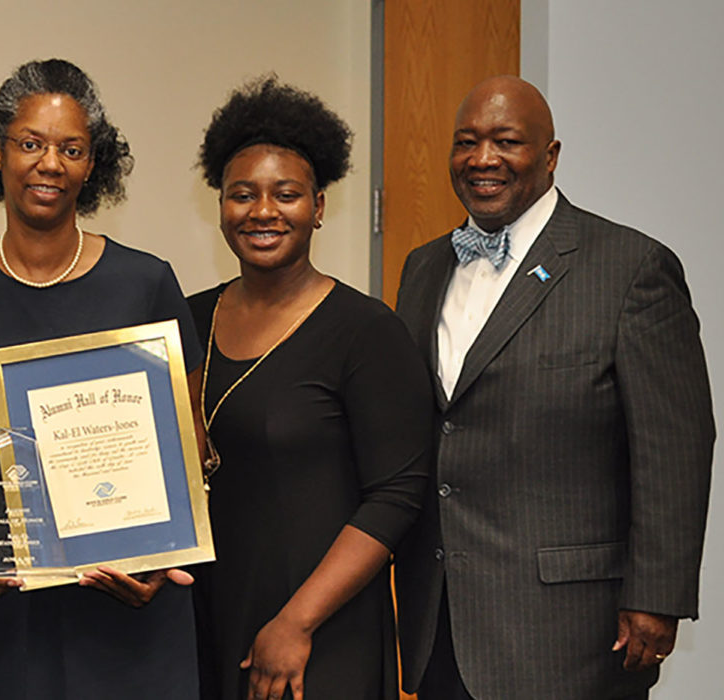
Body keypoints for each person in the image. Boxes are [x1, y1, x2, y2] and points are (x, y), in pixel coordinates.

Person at [393, 76, 714, 700]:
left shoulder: (629, 267)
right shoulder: (424, 266)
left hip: (571, 634)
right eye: (467, 142)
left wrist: (657, 597)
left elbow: (675, 444)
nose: (482, 158)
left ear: (550, 155)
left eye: (506, 141)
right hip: (442, 624)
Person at [0, 58, 202, 699]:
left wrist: (164, 560)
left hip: (126, 614)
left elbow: (188, 451)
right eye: (30, 143)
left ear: (92, 164)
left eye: (71, 149)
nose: (49, 163)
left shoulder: (146, 282)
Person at [187, 78, 433, 700]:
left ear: (318, 207)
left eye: (287, 194)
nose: (263, 211)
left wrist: (297, 622)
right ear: (220, 206)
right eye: (242, 195)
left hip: (318, 630)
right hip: (206, 616)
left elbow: (397, 495)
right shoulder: (186, 320)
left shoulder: (366, 330)